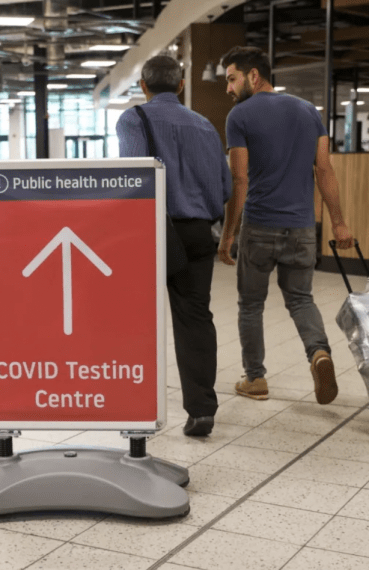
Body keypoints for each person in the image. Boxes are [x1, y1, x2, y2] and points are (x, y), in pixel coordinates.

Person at [217, 46, 354, 405]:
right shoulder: (309, 112)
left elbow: (240, 180)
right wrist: (338, 224)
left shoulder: (239, 117)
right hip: (302, 228)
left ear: (253, 76)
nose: (228, 89)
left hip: (260, 225)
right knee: (300, 298)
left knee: (251, 305)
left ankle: (256, 379)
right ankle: (319, 354)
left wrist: (228, 233)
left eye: (231, 79)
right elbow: (324, 169)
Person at [116, 55, 232, 437]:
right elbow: (225, 189)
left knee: (134, 319)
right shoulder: (205, 125)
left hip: (151, 233)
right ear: (181, 85)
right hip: (198, 233)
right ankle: (201, 410)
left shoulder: (134, 119)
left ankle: (132, 405)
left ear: (144, 87)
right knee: (195, 318)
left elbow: (132, 181)